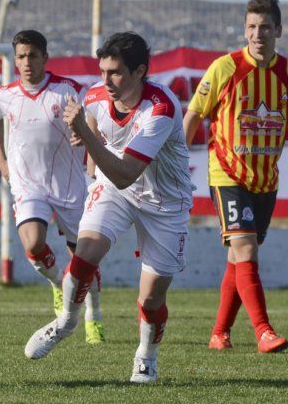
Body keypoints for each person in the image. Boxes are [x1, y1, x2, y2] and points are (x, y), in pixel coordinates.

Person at [24, 32, 193, 384]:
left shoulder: (160, 109)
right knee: (85, 252)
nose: (106, 80)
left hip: (164, 202)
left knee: (151, 298)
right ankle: (67, 321)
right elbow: (96, 132)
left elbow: (127, 173)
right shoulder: (96, 96)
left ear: (140, 71)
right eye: (102, 71)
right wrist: (86, 138)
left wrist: (85, 136)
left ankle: (146, 355)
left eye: (115, 72)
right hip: (114, 190)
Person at [183, 0, 288, 354]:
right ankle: (263, 331)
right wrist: (176, 161)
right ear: (244, 30)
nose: (256, 34)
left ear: (277, 30)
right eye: (250, 27)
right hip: (227, 174)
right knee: (245, 250)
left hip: (265, 180)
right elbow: (195, 115)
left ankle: (219, 333)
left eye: (263, 27)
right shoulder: (224, 68)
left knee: (239, 255)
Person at [0, 30, 105, 345]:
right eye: (22, 56)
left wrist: (84, 135)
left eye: (33, 56)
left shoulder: (66, 90)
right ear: (16, 60)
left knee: (84, 260)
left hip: (68, 184)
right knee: (33, 242)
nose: (27, 63)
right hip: (28, 184)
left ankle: (94, 314)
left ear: (45, 58)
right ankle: (57, 283)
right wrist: (1, 158)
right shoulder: (4, 95)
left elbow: (89, 117)